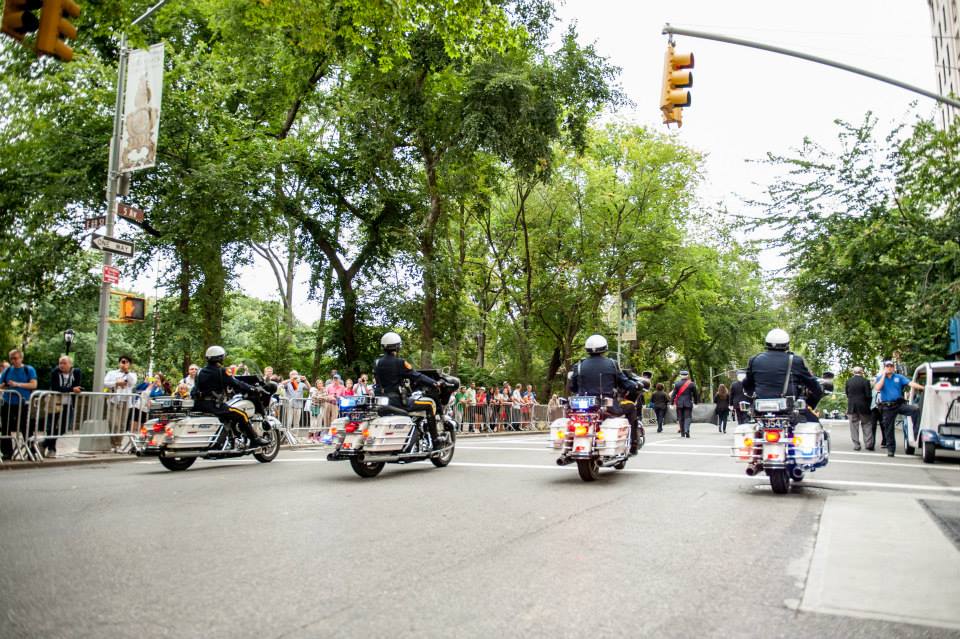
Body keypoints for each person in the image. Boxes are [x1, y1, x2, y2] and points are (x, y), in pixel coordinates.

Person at [569, 334, 639, 454]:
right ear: (605, 348)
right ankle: (633, 444)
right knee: (631, 407)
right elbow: (625, 383)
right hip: (607, 406)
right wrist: (635, 385)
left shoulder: (579, 365)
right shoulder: (612, 364)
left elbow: (573, 387)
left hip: (582, 407)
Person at [192, 345, 269, 448]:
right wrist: (252, 389)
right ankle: (255, 439)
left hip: (198, 404)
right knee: (242, 415)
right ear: (220, 358)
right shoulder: (222, 371)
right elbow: (236, 383)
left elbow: (194, 389)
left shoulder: (200, 371)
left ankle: (231, 437)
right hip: (214, 405)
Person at [742, 328, 823, 425]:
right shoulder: (795, 360)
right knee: (815, 423)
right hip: (789, 409)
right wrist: (818, 392)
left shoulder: (755, 360)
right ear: (787, 344)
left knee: (747, 425)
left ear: (767, 343)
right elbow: (812, 384)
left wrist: (752, 394)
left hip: (760, 410)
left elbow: (747, 384)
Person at [373, 332, 441, 445]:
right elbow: (416, 375)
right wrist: (434, 383)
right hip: (397, 401)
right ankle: (435, 439)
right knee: (430, 404)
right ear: (397, 346)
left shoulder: (377, 362)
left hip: (380, 400)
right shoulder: (399, 362)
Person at [874, 359, 923, 457]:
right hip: (887, 406)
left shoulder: (899, 377)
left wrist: (923, 387)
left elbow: (910, 384)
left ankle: (916, 433)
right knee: (889, 429)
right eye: (887, 366)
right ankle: (891, 449)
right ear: (884, 368)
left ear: (894, 368)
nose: (889, 368)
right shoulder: (880, 377)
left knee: (915, 410)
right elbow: (877, 388)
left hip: (898, 404)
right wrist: (883, 375)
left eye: (891, 366)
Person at [0, 350, 38, 460]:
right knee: (6, 428)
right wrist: (3, 386)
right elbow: (1, 385)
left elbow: (34, 385)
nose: (14, 361)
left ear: (21, 358)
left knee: (26, 427)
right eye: (11, 358)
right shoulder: (7, 370)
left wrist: (17, 384)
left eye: (16, 358)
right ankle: (7, 452)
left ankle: (31, 452)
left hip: (23, 403)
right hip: (8, 402)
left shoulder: (28, 369)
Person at [42, 355, 82, 458]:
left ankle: (44, 443)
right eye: (60, 363)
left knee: (65, 427)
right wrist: (71, 389)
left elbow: (77, 386)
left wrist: (74, 389)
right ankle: (52, 449)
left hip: (69, 403)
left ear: (70, 364)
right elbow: (56, 387)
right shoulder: (55, 372)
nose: (62, 365)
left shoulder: (76, 372)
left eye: (64, 363)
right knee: (51, 426)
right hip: (55, 402)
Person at [103, 355, 138, 448]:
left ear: (130, 364)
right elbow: (105, 383)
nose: (124, 364)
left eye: (126, 362)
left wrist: (127, 372)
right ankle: (113, 444)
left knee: (122, 425)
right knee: (114, 424)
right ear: (119, 363)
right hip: (113, 401)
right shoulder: (112, 373)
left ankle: (118, 444)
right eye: (122, 361)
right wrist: (116, 383)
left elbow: (133, 383)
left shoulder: (132, 374)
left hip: (125, 402)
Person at [845, 366, 874, 451]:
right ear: (862, 372)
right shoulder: (866, 381)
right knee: (867, 425)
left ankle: (856, 445)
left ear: (853, 372)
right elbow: (869, 395)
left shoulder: (848, 381)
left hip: (852, 407)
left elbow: (847, 394)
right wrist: (868, 405)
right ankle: (868, 444)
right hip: (864, 406)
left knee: (853, 426)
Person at [670, 370, 699, 438]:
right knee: (688, 417)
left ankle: (682, 433)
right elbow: (695, 394)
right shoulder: (691, 384)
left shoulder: (677, 384)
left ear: (680, 376)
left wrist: (671, 404)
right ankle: (687, 430)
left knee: (680, 418)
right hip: (688, 403)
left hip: (679, 403)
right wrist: (696, 403)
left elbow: (673, 395)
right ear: (687, 375)